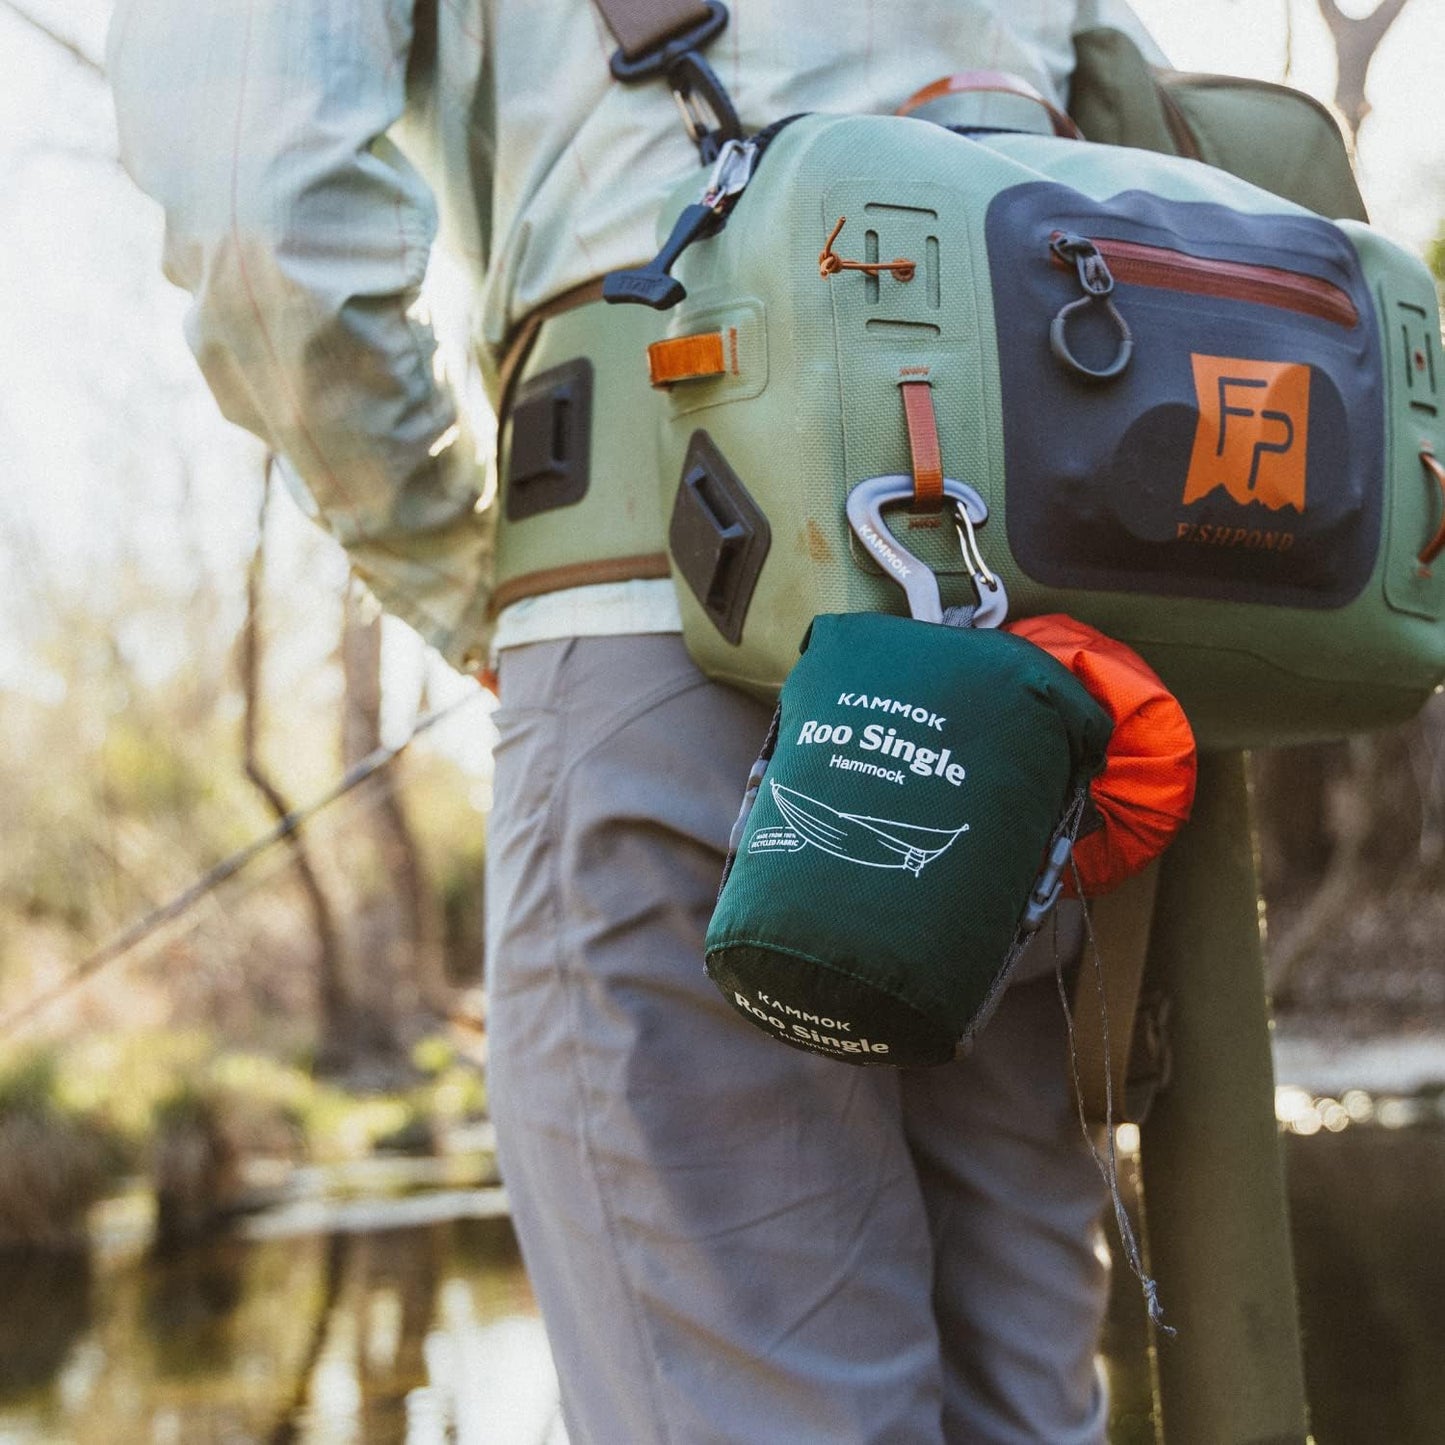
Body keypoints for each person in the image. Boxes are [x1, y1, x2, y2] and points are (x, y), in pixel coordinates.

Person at [109, 3, 1164, 1439]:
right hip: (1035, 673)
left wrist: (448, 570)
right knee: (1026, 1406)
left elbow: (253, 210)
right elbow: (1135, 118)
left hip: (656, 617)